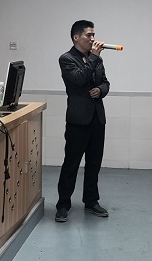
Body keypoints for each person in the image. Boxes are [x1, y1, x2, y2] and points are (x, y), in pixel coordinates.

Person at [55, 20, 110, 223]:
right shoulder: (67, 59)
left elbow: (105, 82)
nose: (93, 39)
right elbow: (79, 79)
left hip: (97, 118)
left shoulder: (97, 59)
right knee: (71, 163)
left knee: (94, 163)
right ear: (76, 37)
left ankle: (91, 201)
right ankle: (63, 204)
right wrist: (94, 57)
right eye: (89, 35)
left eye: (94, 34)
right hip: (78, 120)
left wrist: (101, 90)